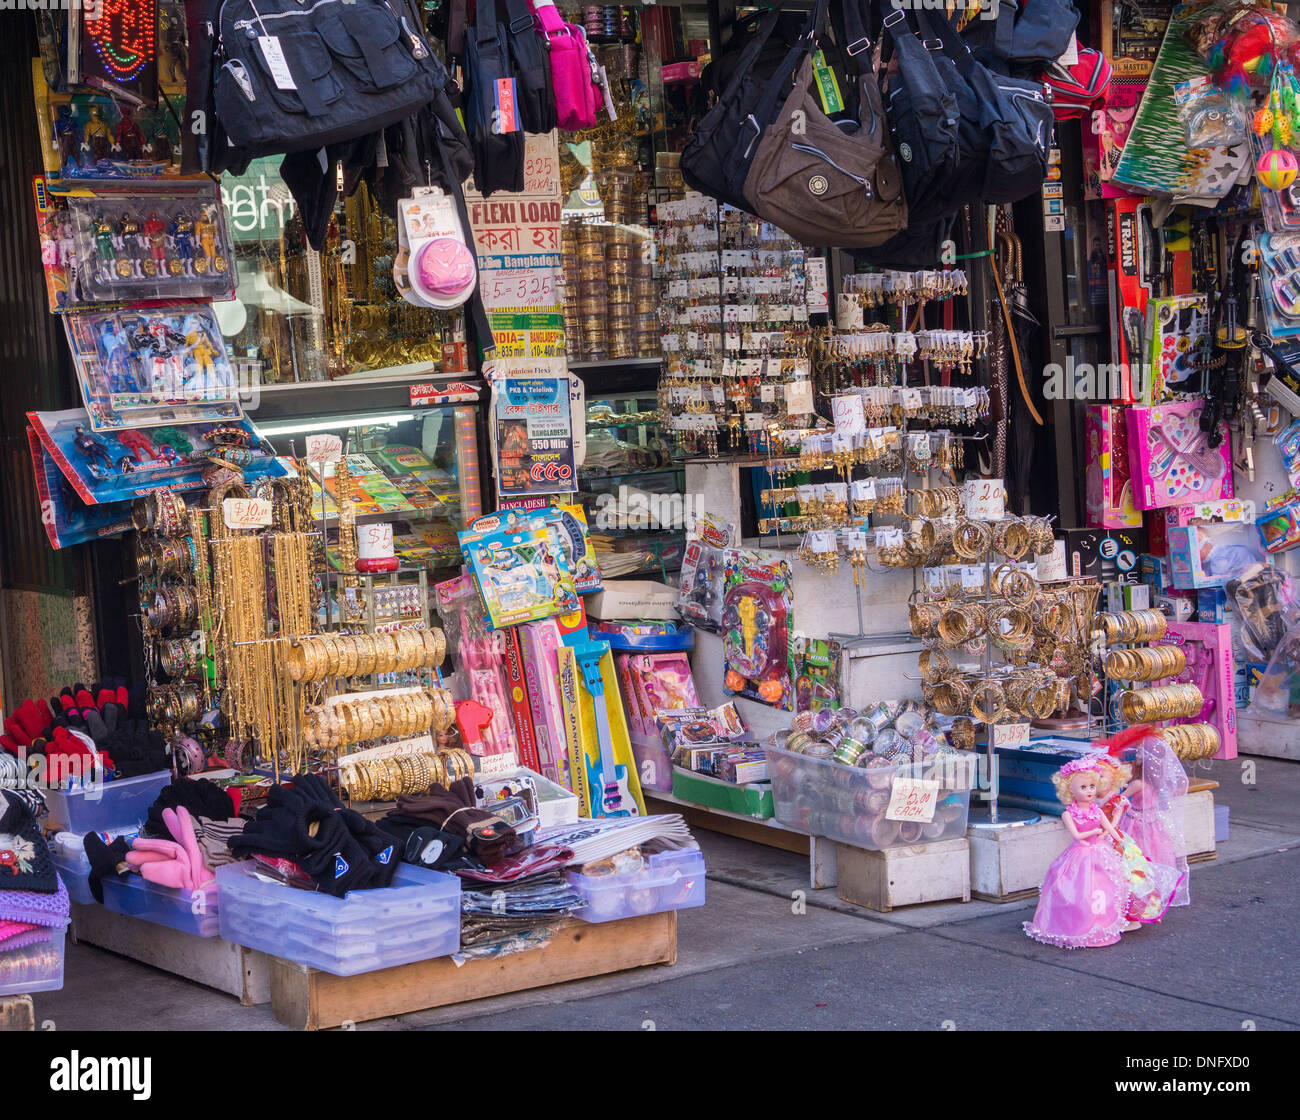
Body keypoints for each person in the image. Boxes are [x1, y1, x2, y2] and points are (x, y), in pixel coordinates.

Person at [1023, 756, 1132, 949]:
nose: (1089, 791)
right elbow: (1076, 835)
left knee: (1104, 887)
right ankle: (1075, 927)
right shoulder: (1068, 814)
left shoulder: (1097, 811)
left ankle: (1101, 927)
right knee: (1075, 889)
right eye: (1083, 787)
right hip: (1080, 853)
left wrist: (1118, 839)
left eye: (1091, 786)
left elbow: (1110, 828)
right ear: (1069, 791)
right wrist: (1095, 832)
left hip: (1099, 852)